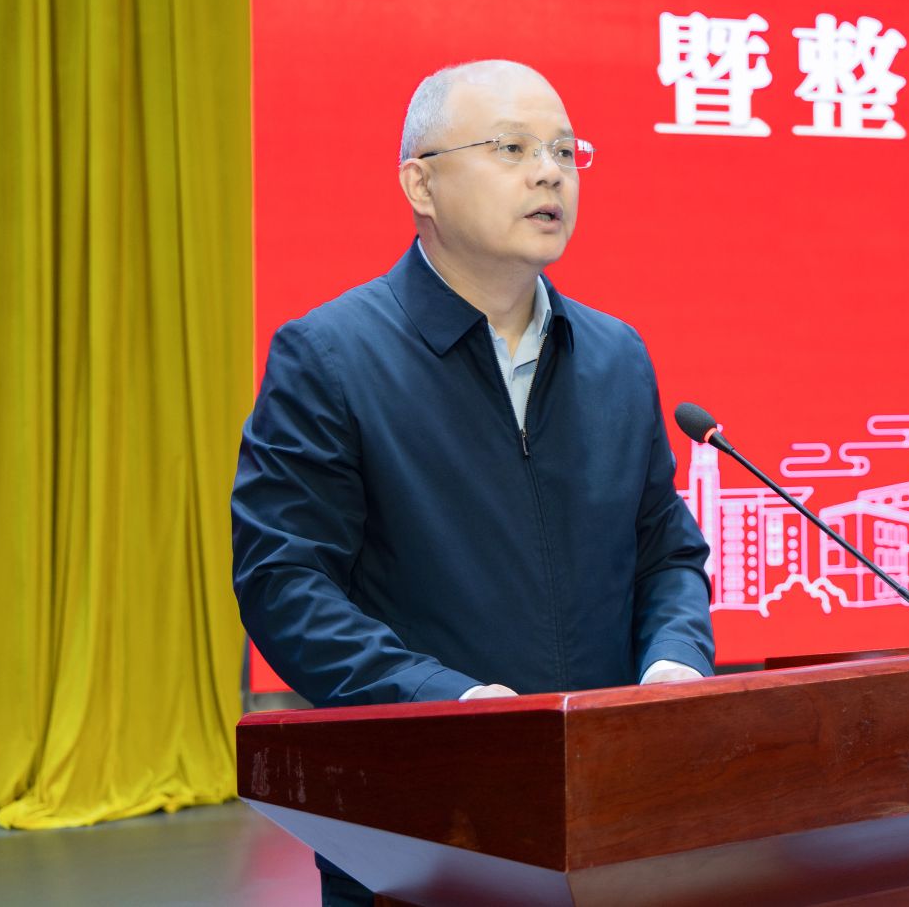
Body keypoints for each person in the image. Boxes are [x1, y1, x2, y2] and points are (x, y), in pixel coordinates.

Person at [232, 59, 713, 907]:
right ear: (420, 183)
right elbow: (285, 584)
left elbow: (665, 554)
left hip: (613, 823)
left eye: (564, 151)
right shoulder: (332, 357)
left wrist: (676, 663)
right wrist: (450, 701)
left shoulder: (615, 356)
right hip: (422, 830)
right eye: (512, 148)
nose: (548, 173)